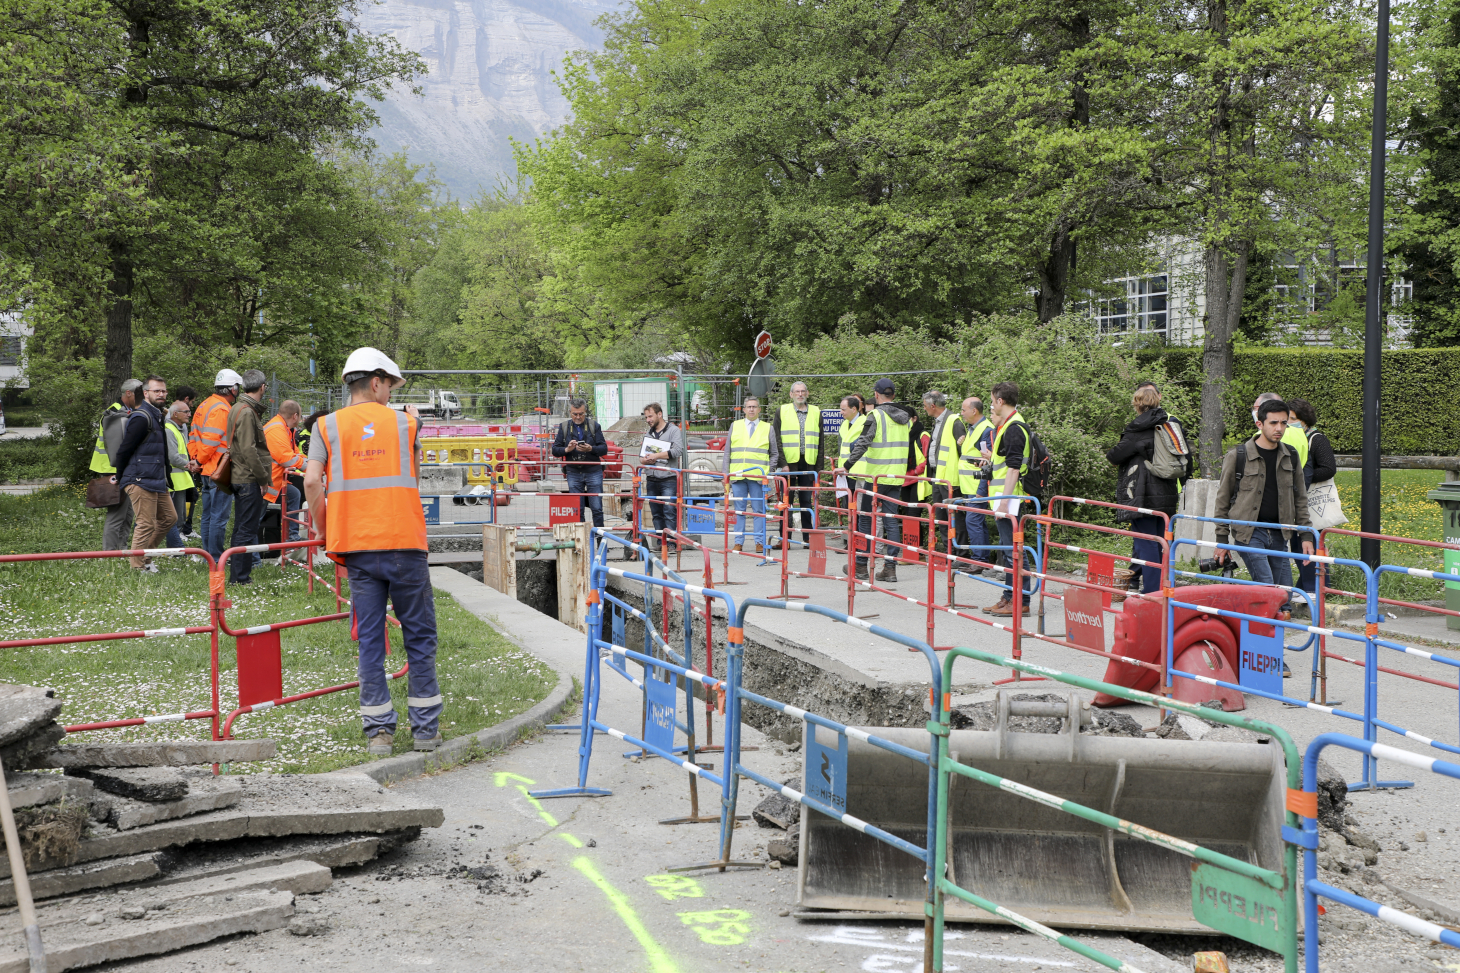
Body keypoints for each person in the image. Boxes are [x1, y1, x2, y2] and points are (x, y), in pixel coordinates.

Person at [304, 347, 442, 756]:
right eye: (389, 387)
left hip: (356, 547)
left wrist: (328, 531)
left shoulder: (326, 427)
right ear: (378, 381)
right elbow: (414, 474)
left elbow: (312, 482)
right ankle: (425, 732)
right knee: (419, 634)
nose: (389, 395)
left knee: (369, 639)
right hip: (404, 544)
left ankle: (379, 733)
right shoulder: (408, 424)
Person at [1214, 397, 1313, 591]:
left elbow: (1300, 499)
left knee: (1285, 595)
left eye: (1284, 423)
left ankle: (1268, 620)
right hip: (1249, 533)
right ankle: (1257, 620)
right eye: (1273, 423)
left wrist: (1306, 536)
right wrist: (1221, 540)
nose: (1279, 428)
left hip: (1279, 532)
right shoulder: (1238, 456)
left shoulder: (1291, 456)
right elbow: (1223, 500)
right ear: (1260, 424)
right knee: (1267, 588)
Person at [1105, 383, 1193, 595]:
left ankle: (1153, 593)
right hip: (1167, 494)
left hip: (1142, 495)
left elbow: (1114, 456)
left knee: (1146, 545)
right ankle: (1165, 588)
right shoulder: (1170, 426)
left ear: (1137, 405)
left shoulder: (1137, 429)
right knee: (1161, 542)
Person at [845, 378, 911, 583]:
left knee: (865, 518)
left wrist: (847, 466)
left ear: (876, 394)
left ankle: (862, 566)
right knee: (891, 522)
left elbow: (864, 442)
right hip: (896, 476)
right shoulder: (905, 417)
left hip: (876, 477)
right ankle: (890, 568)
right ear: (893, 395)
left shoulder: (875, 415)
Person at [112, 376, 176, 571]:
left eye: (164, 391)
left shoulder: (157, 415)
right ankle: (138, 568)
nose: (162, 394)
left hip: (156, 478)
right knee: (145, 524)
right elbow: (123, 450)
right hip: (140, 478)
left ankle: (146, 556)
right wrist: (122, 477)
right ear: (146, 393)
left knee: (169, 518)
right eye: (157, 391)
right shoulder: (141, 417)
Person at [982, 382, 1032, 617]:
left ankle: (1021, 601)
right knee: (1009, 549)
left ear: (1000, 401)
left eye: (992, 400)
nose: (991, 404)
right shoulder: (1008, 425)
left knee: (1015, 551)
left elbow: (1013, 468)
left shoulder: (1014, 427)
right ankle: (1009, 597)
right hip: (1005, 496)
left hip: (1010, 498)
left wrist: (1004, 501)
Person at [188, 369, 243, 561]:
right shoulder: (222, 409)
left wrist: (195, 460)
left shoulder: (204, 405)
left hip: (206, 469)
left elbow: (193, 436)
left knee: (208, 516)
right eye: (238, 388)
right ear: (232, 388)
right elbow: (211, 440)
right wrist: (200, 460)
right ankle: (216, 558)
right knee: (218, 518)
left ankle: (208, 556)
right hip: (218, 470)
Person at [225, 370, 271, 585]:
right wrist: (263, 479)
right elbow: (248, 449)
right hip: (248, 479)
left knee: (242, 528)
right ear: (262, 387)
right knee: (246, 530)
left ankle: (239, 576)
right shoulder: (246, 411)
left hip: (242, 477)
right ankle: (240, 578)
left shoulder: (240, 408)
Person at [1286, 398, 1335, 597]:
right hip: (1297, 497)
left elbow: (1329, 468)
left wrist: (1302, 478)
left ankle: (1314, 587)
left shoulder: (1316, 439)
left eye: (1291, 418)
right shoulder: (1289, 438)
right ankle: (1310, 585)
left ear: (1304, 421)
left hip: (1312, 500)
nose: (1287, 423)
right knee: (1299, 544)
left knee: (1309, 542)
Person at [724, 396, 781, 553]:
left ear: (759, 409)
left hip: (758, 478)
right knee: (739, 511)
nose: (751, 409)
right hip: (737, 476)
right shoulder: (735, 426)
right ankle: (738, 542)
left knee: (759, 511)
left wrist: (767, 472)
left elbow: (774, 454)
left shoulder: (767, 428)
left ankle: (759, 542)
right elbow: (727, 452)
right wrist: (725, 475)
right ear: (744, 409)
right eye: (748, 407)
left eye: (754, 407)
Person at [92, 379, 141, 551]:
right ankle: (110, 552)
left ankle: (122, 548)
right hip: (111, 469)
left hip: (120, 468)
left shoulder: (127, 410)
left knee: (127, 514)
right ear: (128, 393)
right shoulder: (114, 412)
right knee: (117, 514)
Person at [774, 382, 822, 548]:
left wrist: (818, 468)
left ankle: (808, 538)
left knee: (806, 502)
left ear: (807, 393)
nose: (800, 394)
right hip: (789, 463)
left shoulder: (816, 412)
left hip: (808, 462)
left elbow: (820, 440)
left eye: (803, 391)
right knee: (786, 501)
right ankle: (784, 539)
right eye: (797, 392)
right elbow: (776, 439)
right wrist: (782, 462)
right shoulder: (782, 410)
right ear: (791, 394)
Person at [552, 398, 609, 529]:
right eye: (575, 414)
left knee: (597, 508)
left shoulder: (594, 426)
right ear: (570, 412)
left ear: (585, 412)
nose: (578, 417)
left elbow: (604, 449)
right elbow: (555, 450)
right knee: (577, 509)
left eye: (581, 414)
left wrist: (591, 449)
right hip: (573, 472)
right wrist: (567, 449)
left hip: (593, 471)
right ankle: (580, 541)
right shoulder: (564, 427)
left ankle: (601, 541)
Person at [922, 390, 966, 553]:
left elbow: (963, 452)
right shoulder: (939, 421)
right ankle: (949, 552)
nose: (924, 409)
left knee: (955, 518)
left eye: (925, 406)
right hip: (938, 477)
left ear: (933, 406)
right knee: (941, 518)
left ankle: (960, 553)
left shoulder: (954, 421)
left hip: (951, 480)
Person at [638, 402, 684, 552]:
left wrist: (656, 455)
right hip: (652, 478)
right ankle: (660, 542)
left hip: (668, 478)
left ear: (659, 414)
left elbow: (678, 450)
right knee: (656, 512)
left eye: (650, 416)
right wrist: (646, 460)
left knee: (669, 511)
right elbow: (641, 458)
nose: (648, 420)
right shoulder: (648, 434)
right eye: (646, 417)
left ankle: (671, 543)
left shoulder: (673, 431)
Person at [957, 396, 995, 572]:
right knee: (977, 522)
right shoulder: (973, 428)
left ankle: (979, 560)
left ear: (974, 411)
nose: (961, 413)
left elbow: (989, 462)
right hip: (970, 485)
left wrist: (981, 489)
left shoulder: (986, 429)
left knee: (973, 521)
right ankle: (982, 559)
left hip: (977, 486)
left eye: (964, 410)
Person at [263, 400, 306, 544]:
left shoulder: (284, 428)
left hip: (273, 479)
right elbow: (285, 458)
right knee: (254, 519)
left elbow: (294, 453)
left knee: (293, 494)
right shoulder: (277, 429)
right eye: (299, 417)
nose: (300, 420)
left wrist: (308, 461)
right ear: (295, 416)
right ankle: (251, 555)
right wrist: (310, 467)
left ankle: (291, 536)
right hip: (265, 481)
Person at [829, 395, 865, 551]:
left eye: (843, 409)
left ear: (854, 409)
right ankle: (850, 541)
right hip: (845, 473)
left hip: (858, 472)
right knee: (848, 508)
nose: (841, 412)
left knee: (857, 509)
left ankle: (858, 542)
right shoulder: (844, 424)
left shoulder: (865, 423)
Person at [164, 401, 200, 550]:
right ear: (175, 414)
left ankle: (181, 532)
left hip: (182, 477)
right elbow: (172, 457)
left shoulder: (181, 427)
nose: (189, 414)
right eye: (185, 411)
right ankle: (176, 537)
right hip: (174, 478)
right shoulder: (168, 430)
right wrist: (190, 465)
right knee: (176, 511)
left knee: (185, 506)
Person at [171, 386, 200, 538]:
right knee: (179, 504)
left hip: (184, 470)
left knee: (191, 497)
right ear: (187, 399)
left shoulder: (179, 420)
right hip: (178, 471)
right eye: (192, 403)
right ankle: (180, 530)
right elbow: (172, 453)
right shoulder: (171, 422)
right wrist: (189, 464)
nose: (191, 411)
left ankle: (185, 529)